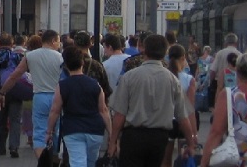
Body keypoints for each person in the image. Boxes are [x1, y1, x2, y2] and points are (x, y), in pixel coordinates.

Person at [107, 34, 196, 167]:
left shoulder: (129, 77)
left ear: (144, 50)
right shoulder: (172, 80)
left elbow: (119, 114)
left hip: (133, 136)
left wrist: (113, 141)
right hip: (159, 137)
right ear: (165, 52)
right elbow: (183, 117)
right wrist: (190, 143)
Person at [0, 29, 64, 159]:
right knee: (56, 131)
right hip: (57, 97)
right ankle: (54, 156)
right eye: (58, 41)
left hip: (39, 96)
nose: (59, 44)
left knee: (39, 132)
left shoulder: (30, 56)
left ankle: (42, 160)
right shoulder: (61, 58)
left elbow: (14, 76)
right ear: (53, 41)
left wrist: (2, 91)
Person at [46, 45, 111, 167]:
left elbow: (55, 110)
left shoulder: (62, 86)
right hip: (95, 130)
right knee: (92, 161)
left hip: (73, 129)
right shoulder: (95, 85)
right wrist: (111, 133)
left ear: (65, 65)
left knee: (77, 161)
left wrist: (49, 131)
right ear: (82, 63)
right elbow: (103, 110)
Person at [200, 51, 247, 167]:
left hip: (240, 159)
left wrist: (203, 163)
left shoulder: (229, 95)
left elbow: (216, 133)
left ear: (238, 72)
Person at [0, 32, 25, 157]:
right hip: (15, 91)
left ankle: (1, 147)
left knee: (1, 120)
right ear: (11, 43)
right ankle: (14, 147)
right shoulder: (18, 57)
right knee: (15, 120)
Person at [160, 44, 197, 167]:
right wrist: (193, 133)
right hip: (183, 122)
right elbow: (190, 108)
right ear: (183, 57)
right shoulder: (189, 79)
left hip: (167, 121)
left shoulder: (164, 77)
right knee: (184, 157)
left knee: (166, 159)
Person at [208, 33, 240, 109]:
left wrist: (210, 82)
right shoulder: (240, 54)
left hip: (220, 84)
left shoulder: (220, 53)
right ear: (236, 43)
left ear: (226, 43)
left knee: (220, 106)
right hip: (236, 86)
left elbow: (213, 70)